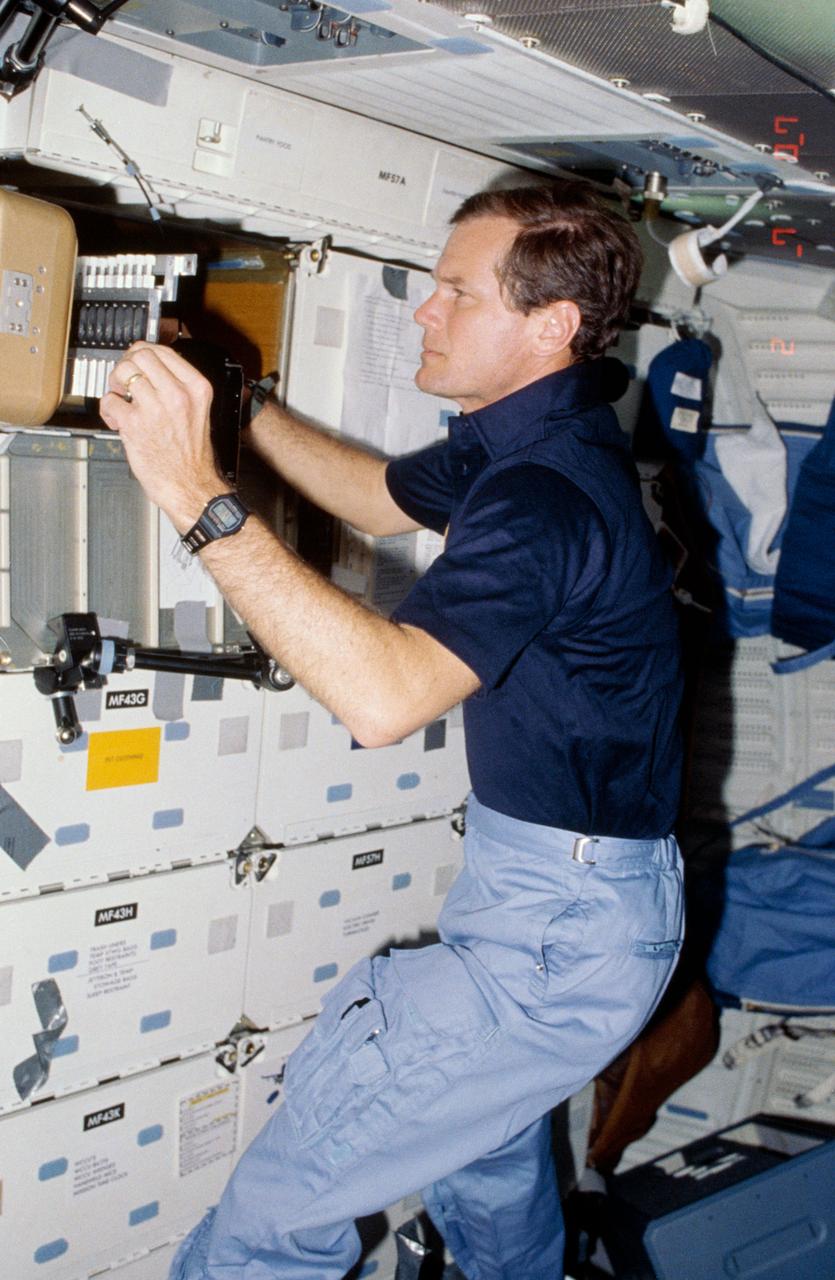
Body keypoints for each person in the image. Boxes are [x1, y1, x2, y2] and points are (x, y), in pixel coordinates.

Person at [100, 180, 684, 1280]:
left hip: (557, 928)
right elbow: (373, 497)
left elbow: (384, 696)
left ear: (548, 325)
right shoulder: (532, 432)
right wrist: (244, 397)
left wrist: (194, 490)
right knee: (488, 1167)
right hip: (561, 904)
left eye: (457, 292)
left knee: (273, 1215)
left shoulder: (545, 493)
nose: (425, 310)